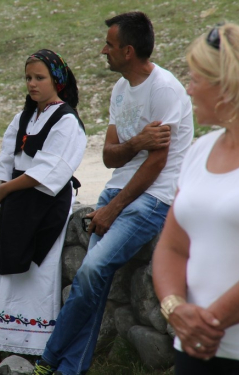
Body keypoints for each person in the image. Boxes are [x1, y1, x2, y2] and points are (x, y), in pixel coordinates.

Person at [32, 12, 194, 375]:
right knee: (93, 280)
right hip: (117, 191)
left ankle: (48, 358)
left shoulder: (164, 89)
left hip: (152, 199)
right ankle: (71, 369)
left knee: (91, 271)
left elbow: (156, 165)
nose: (102, 50)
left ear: (129, 51)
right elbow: (108, 156)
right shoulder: (120, 89)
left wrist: (112, 210)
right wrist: (136, 142)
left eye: (109, 44)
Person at [0, 49, 87, 373]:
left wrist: (8, 189)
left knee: (37, 271)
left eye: (39, 77)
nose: (32, 84)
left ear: (56, 79)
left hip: (46, 204)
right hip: (18, 203)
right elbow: (7, 158)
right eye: (28, 78)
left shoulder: (67, 121)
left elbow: (52, 170)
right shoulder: (24, 118)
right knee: (7, 269)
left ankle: (33, 347)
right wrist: (6, 189)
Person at [152, 23, 239, 375]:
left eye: (195, 80)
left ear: (226, 86)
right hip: (194, 350)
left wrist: (207, 322)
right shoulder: (198, 151)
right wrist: (176, 310)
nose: (187, 90)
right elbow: (172, 246)